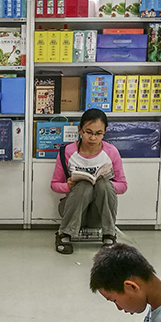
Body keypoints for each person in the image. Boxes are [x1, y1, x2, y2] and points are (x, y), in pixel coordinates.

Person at [50, 109, 127, 255]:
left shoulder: (111, 152)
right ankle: (64, 234)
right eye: (88, 132)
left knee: (104, 184)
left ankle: (109, 234)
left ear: (104, 132)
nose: (93, 138)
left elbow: (123, 185)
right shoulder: (67, 152)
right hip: (72, 209)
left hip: (98, 214)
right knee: (84, 185)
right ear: (80, 130)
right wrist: (68, 186)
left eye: (98, 133)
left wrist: (101, 185)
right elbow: (54, 184)